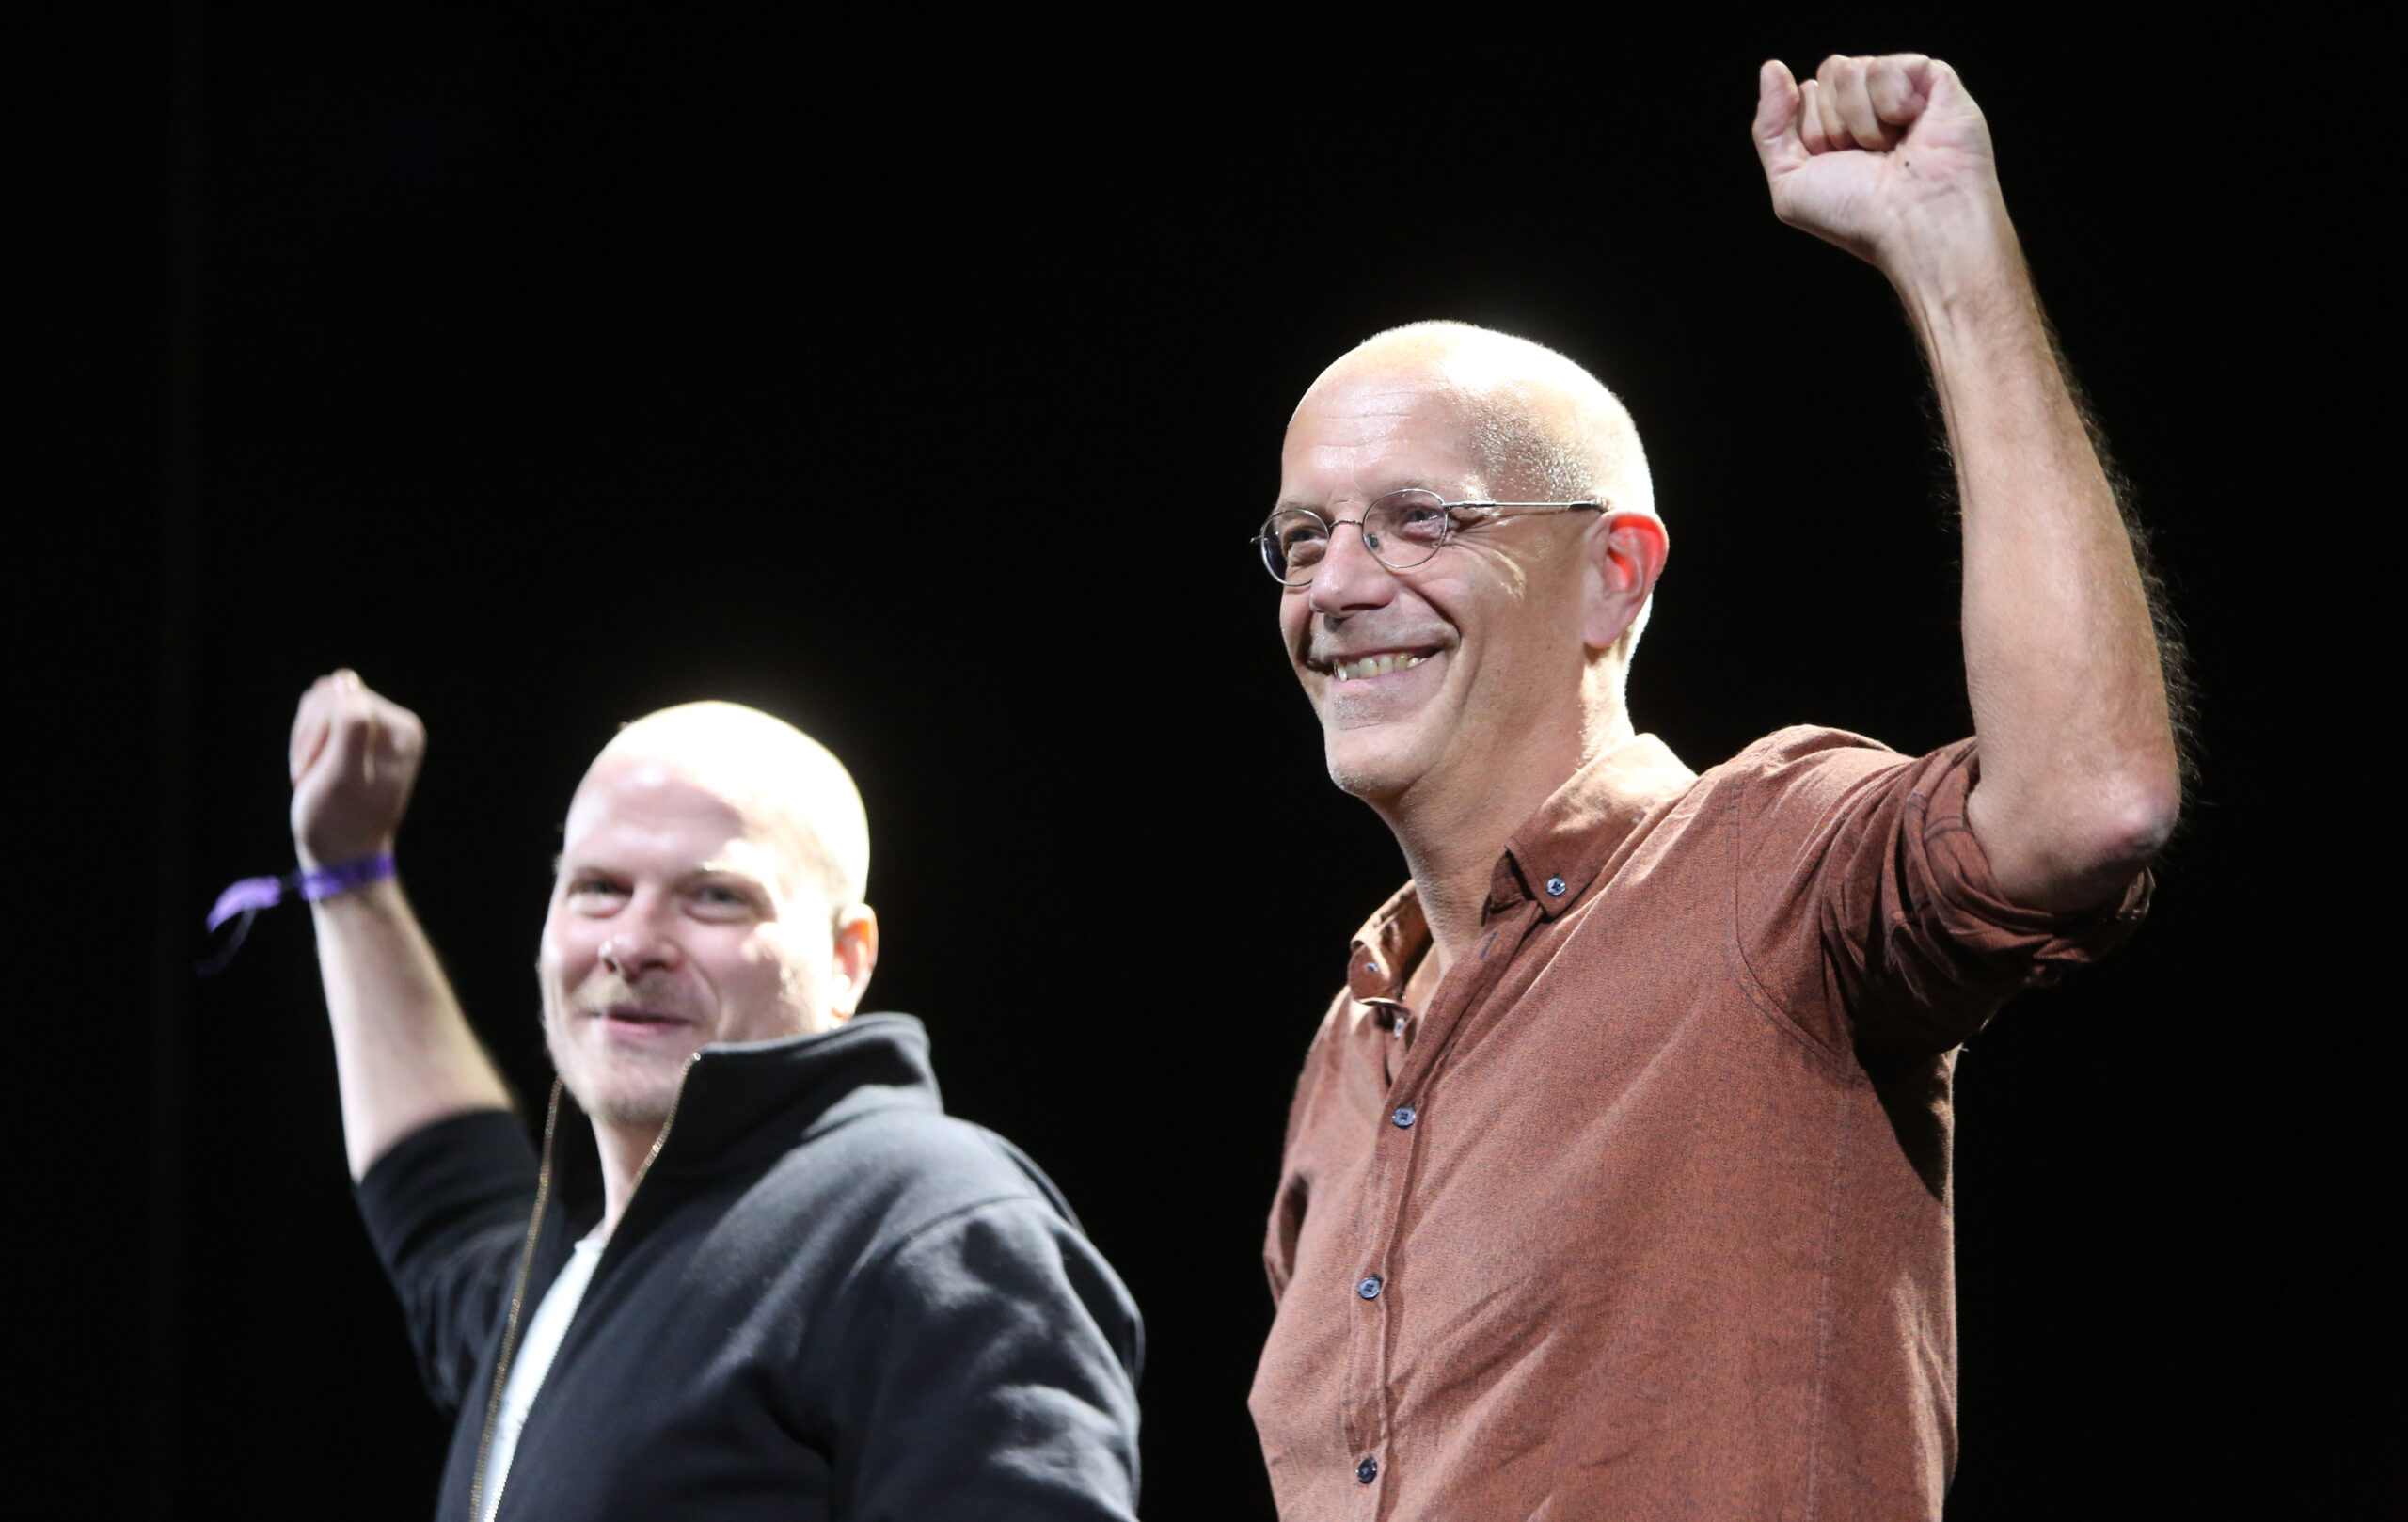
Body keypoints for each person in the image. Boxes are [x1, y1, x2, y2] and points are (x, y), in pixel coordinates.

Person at [1245, 53, 2182, 1519]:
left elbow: (2089, 806)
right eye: (1303, 539)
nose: (1337, 588)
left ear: (1612, 575)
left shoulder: (1764, 862)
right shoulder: (1351, 1042)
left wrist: (1951, 258)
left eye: (1420, 520)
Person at [286, 671, 1143, 1521]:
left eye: (714, 898)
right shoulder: (581, 1271)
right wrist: (349, 877)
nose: (631, 943)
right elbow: (444, 1195)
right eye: (599, 888)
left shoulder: (933, 1225)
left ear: (847, 960)